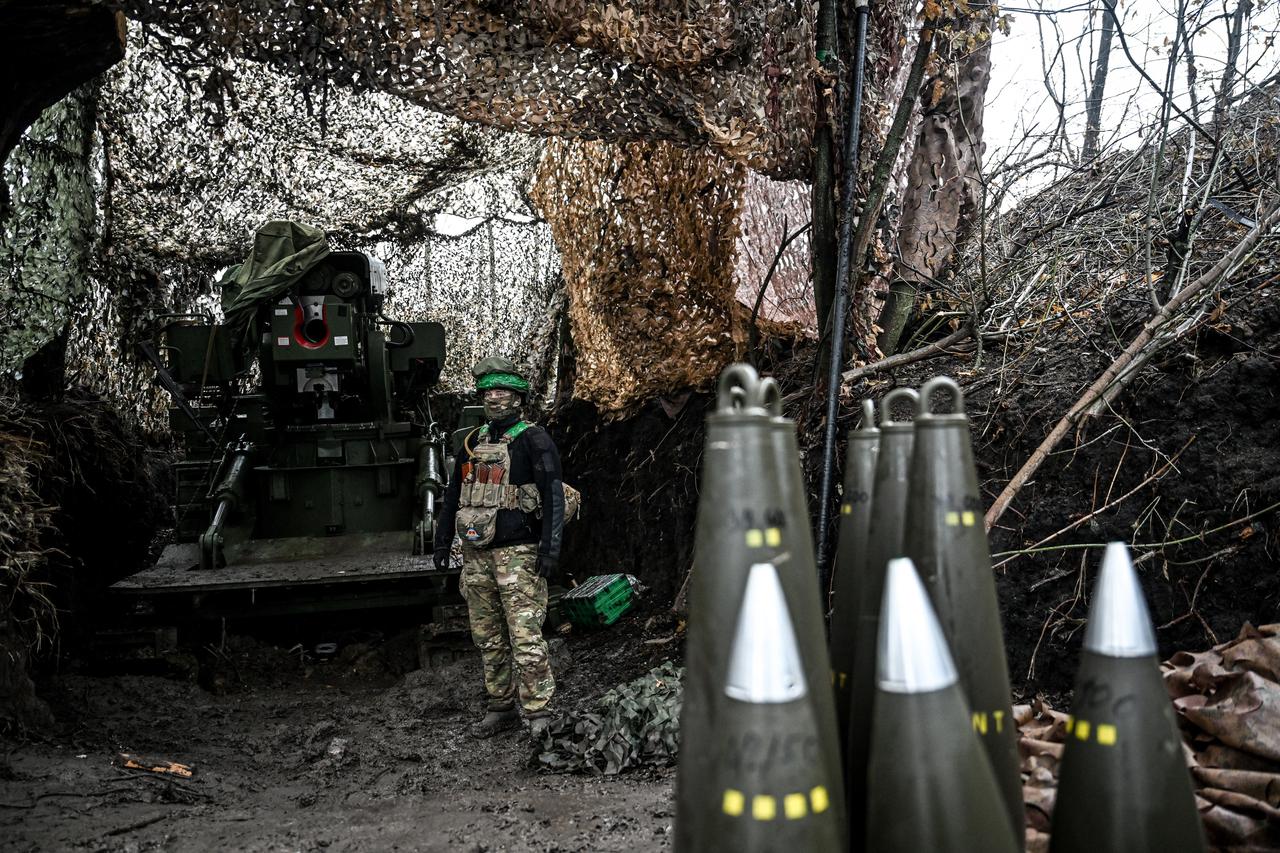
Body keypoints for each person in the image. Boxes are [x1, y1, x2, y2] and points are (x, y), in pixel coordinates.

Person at [434, 356, 566, 738]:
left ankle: (539, 712)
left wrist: (549, 549)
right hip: (477, 556)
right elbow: (454, 495)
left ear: (518, 398)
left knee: (526, 637)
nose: (494, 398)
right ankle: (500, 706)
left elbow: (552, 497)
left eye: (503, 391)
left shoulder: (534, 439)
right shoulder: (473, 443)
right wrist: (443, 543)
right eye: (489, 391)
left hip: (519, 555)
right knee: (487, 637)